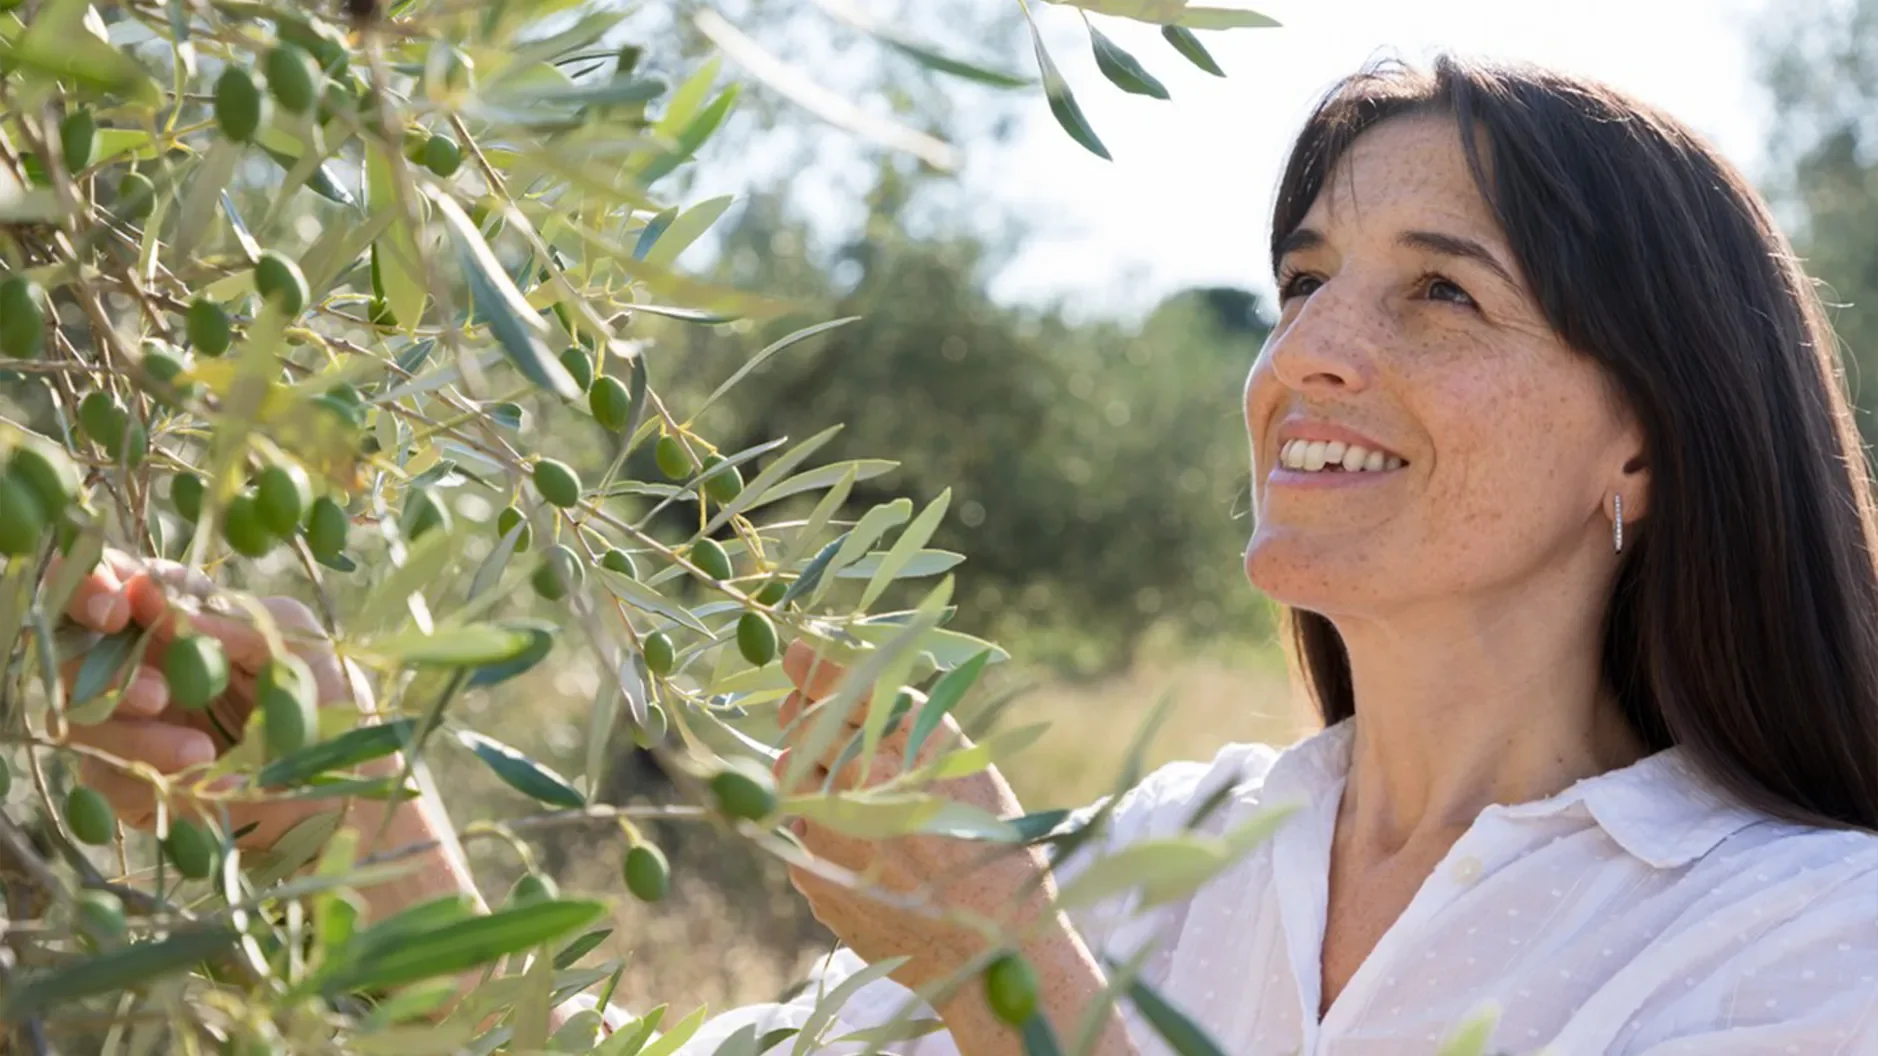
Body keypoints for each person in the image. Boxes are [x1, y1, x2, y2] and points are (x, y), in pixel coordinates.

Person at [56, 53, 1878, 1054]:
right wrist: (357, 834)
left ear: (1644, 435)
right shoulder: (1156, 859)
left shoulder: (1808, 942)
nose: (1311, 353)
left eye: (1439, 294)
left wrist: (1005, 975)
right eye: (1305, 279)